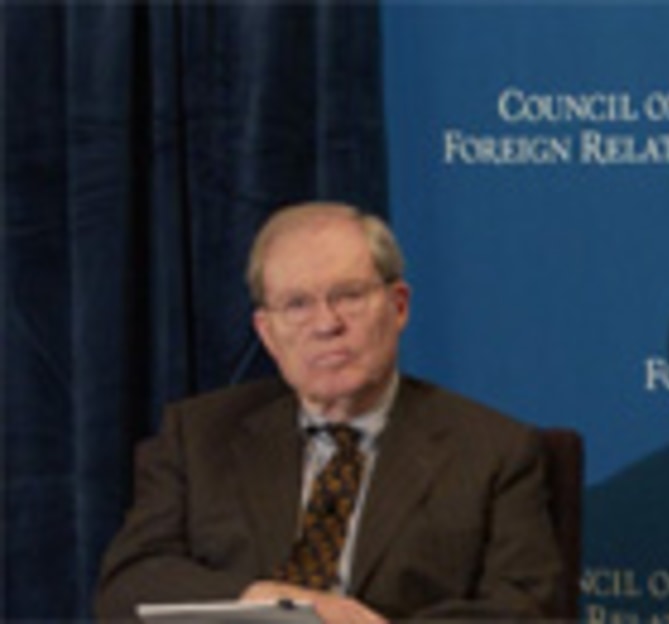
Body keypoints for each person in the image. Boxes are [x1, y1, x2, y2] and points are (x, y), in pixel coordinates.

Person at [95, 202, 564, 622]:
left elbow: (526, 609)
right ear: (267, 331)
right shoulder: (198, 436)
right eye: (297, 304)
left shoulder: (492, 450)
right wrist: (259, 600)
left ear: (398, 306)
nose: (326, 324)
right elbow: (128, 586)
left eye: (350, 296)